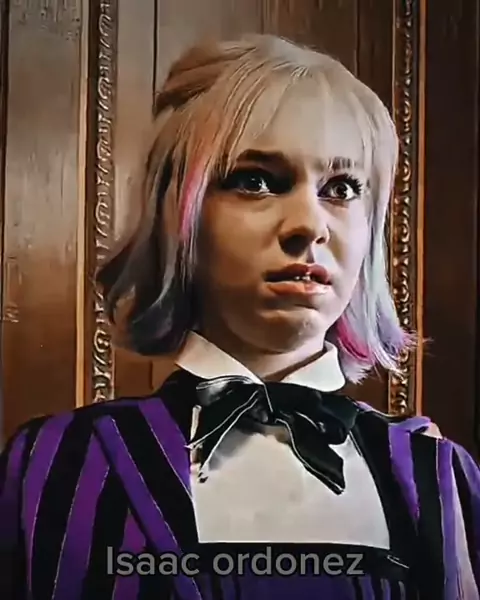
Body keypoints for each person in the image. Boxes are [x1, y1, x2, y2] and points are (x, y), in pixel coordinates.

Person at [0, 34, 479, 600]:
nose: (310, 225)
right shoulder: (54, 464)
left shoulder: (438, 479)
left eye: (342, 188)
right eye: (256, 181)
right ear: (179, 214)